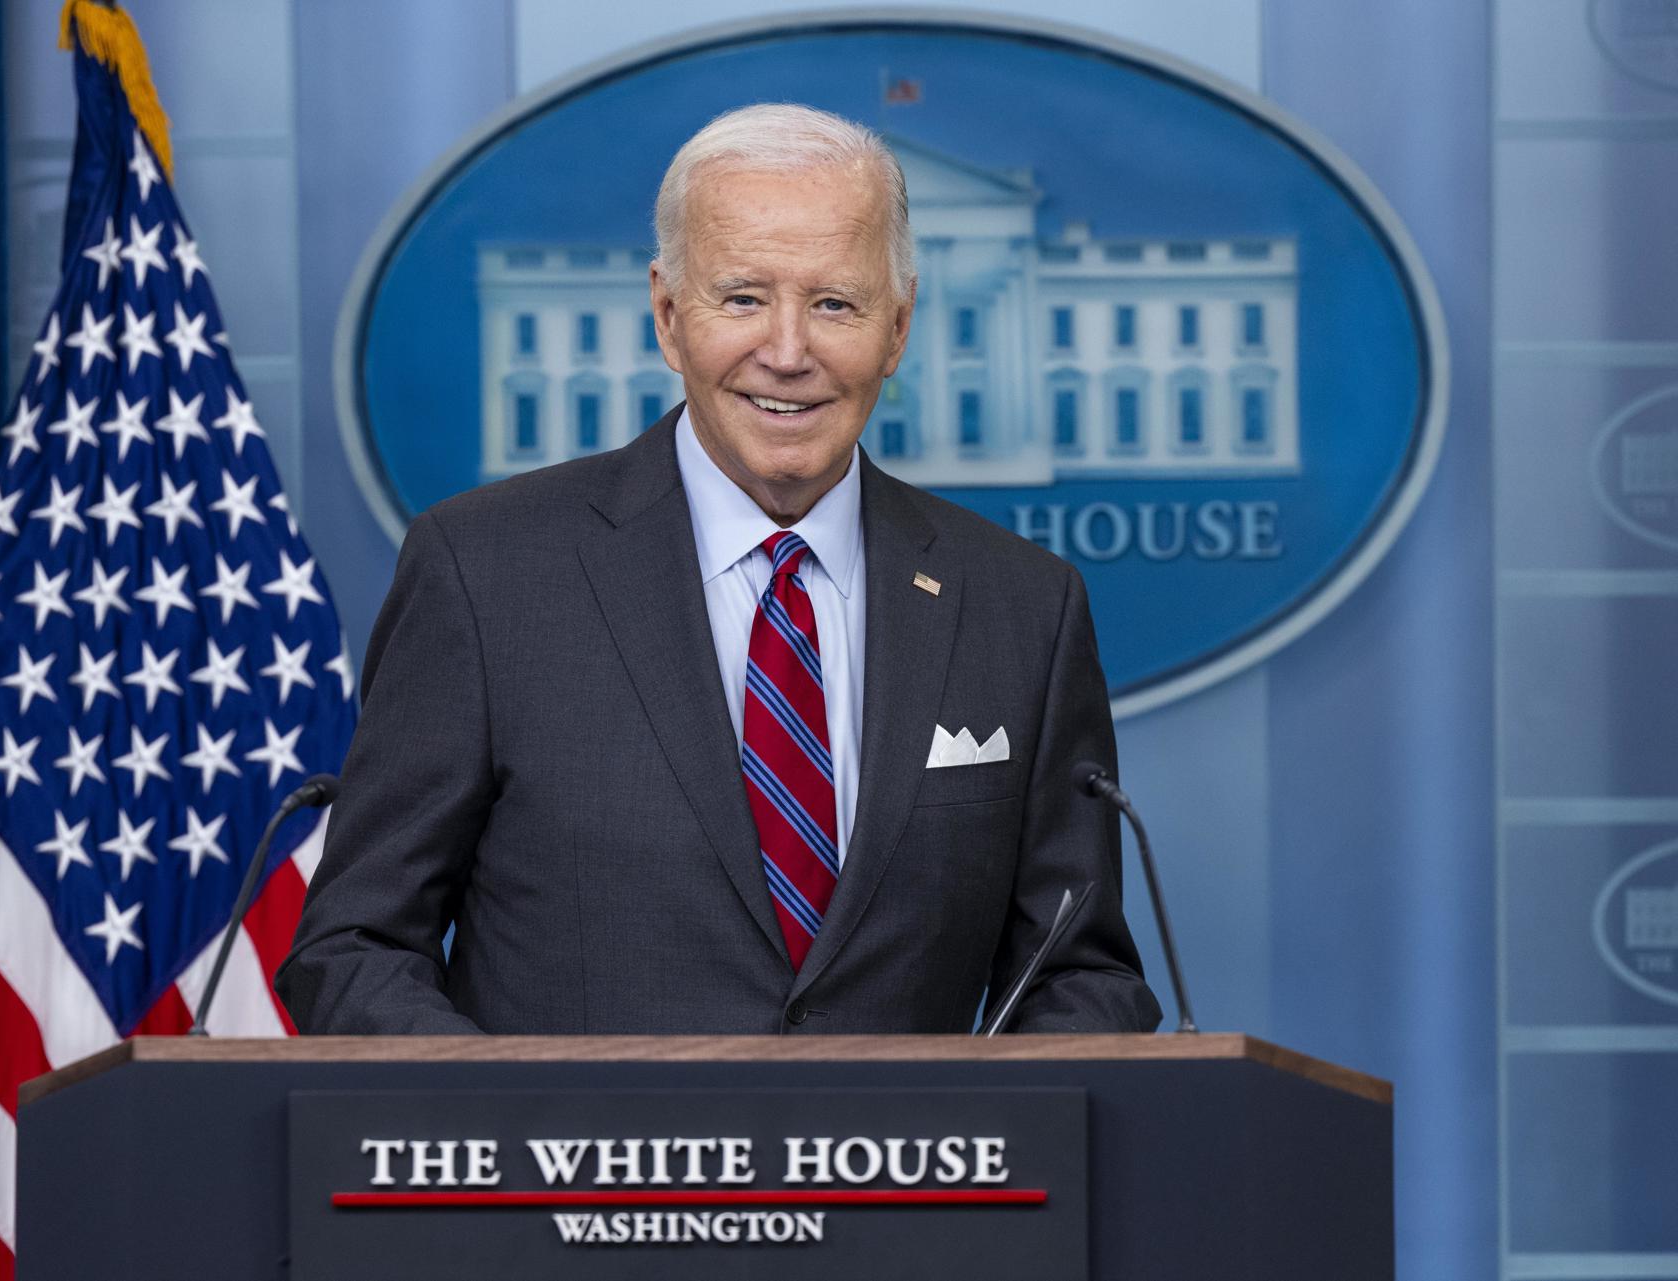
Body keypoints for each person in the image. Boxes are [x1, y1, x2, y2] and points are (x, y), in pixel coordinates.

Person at [276, 103, 1161, 1035]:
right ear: (668, 316)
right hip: (569, 1178)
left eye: (834, 304)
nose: (786, 353)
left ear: (897, 329)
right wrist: (511, 1134)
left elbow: (1081, 974)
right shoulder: (486, 573)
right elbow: (356, 948)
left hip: (906, 1179)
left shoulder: (1023, 605)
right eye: (742, 298)